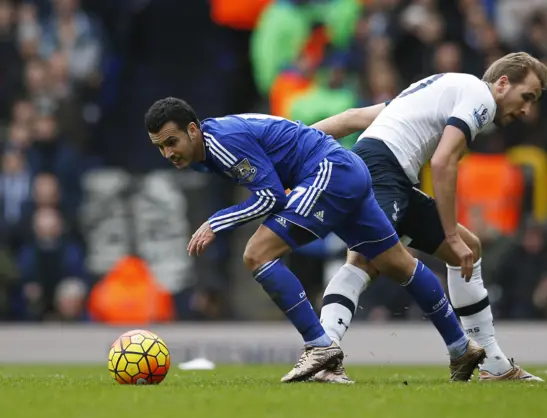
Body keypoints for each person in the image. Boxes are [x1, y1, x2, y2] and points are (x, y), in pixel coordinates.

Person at [144, 99, 486, 383]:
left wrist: (215, 222)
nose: (167, 153)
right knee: (398, 264)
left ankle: (320, 347)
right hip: (344, 170)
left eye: (171, 142)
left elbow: (270, 197)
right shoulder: (212, 145)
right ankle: (461, 347)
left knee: (256, 254)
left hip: (328, 171)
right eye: (159, 147)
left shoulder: (221, 141)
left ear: (193, 130)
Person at [310, 52, 547, 383]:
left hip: (389, 173)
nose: (526, 109)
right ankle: (322, 356)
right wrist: (449, 234)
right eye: (527, 97)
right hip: (382, 169)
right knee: (364, 259)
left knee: (468, 247)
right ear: (503, 83)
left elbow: (351, 118)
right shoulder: (480, 97)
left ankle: (493, 363)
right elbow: (442, 162)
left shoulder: (440, 88)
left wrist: (296, 143)